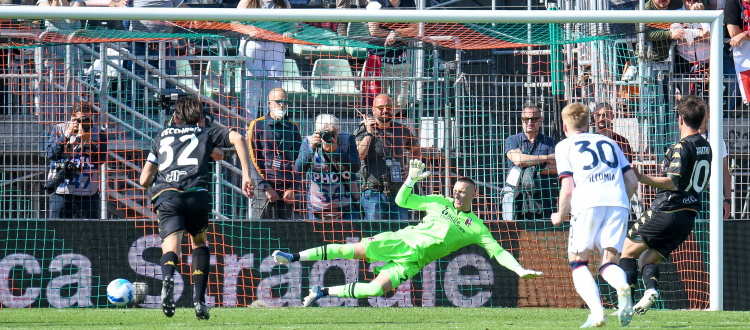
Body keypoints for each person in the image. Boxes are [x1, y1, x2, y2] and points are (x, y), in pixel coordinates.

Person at [272, 160, 543, 307]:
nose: (457, 194)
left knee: (374, 289)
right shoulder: (439, 201)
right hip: (401, 242)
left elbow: (498, 251)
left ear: (474, 194)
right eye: (456, 190)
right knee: (347, 250)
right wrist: (410, 180)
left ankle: (321, 291)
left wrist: (519, 270)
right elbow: (403, 201)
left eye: (463, 191)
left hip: (413, 262)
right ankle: (291, 256)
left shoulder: (477, 227)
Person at [139, 96, 255, 320]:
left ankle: (167, 276)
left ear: (175, 116)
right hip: (197, 195)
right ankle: (199, 301)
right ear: (200, 117)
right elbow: (238, 138)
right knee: (199, 242)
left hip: (168, 194)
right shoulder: (206, 132)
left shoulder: (161, 135)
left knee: (171, 244)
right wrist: (246, 177)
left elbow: (144, 180)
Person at [619, 95, 712, 315]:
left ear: (680, 119)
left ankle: (626, 306)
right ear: (701, 119)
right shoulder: (706, 146)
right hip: (688, 216)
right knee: (646, 258)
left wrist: (641, 177)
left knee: (627, 251)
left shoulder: (680, 146)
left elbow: (671, 181)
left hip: (668, 209)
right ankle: (650, 291)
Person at [551, 103, 639, 328]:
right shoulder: (610, 142)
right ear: (589, 123)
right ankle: (621, 285)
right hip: (618, 202)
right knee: (609, 262)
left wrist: (560, 214)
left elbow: (568, 187)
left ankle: (597, 312)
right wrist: (620, 202)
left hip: (588, 203)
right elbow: (632, 181)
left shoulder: (564, 145)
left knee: (578, 262)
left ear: (564, 126)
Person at [354, 94, 421, 220]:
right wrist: (369, 133)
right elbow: (359, 155)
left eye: (389, 107)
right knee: (374, 232)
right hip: (373, 191)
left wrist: (411, 169)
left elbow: (416, 149)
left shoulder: (402, 130)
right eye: (381, 107)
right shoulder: (363, 130)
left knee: (401, 230)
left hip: (398, 191)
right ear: (373, 109)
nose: (385, 111)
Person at [45, 102, 107, 219]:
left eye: (87, 119)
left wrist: (87, 141)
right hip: (62, 191)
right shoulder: (59, 128)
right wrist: (67, 135)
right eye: (80, 119)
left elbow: (100, 159)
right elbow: (51, 154)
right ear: (72, 118)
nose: (83, 122)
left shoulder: (99, 132)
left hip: (88, 192)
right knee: (58, 231)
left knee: (88, 233)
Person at [248, 88, 303, 220]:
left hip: (286, 190)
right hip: (263, 190)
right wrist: (265, 187)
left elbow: (299, 160)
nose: (282, 105)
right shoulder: (257, 125)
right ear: (269, 104)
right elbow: (253, 160)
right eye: (278, 102)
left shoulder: (293, 127)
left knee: (286, 233)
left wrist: (292, 188)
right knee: (260, 232)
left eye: (285, 102)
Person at [294, 114, 361, 220]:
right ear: (317, 133)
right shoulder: (309, 141)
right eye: (324, 134)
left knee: (350, 235)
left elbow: (356, 167)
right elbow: (298, 169)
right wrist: (311, 149)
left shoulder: (347, 140)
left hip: (346, 205)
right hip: (317, 206)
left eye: (332, 133)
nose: (328, 137)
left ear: (338, 131)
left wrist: (337, 151)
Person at [237, 0, 290, 120]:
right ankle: (248, 130)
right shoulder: (247, 1)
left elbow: (290, 25)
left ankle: (273, 129)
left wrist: (289, 31)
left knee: (274, 89)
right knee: (251, 92)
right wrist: (249, 30)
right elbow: (234, 23)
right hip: (252, 45)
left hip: (276, 46)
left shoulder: (284, 2)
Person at [503, 105, 557, 221]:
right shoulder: (512, 140)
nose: (529, 122)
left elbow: (555, 167)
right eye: (526, 119)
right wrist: (546, 158)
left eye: (534, 119)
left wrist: (526, 163)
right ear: (521, 120)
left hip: (544, 198)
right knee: (513, 235)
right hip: (516, 197)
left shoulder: (549, 142)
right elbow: (518, 161)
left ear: (541, 120)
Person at [363, 0, 418, 110]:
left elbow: (415, 30)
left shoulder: (409, 2)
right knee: (377, 103)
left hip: (401, 61)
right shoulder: (375, 3)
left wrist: (395, 33)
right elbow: (374, 31)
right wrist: (401, 36)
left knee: (401, 103)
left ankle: (388, 125)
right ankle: (379, 126)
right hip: (378, 62)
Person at [698, 109, 732, 219]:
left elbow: (725, 171)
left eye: (702, 113)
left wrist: (727, 199)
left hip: (712, 191)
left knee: (712, 231)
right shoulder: (684, 139)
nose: (699, 117)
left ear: (707, 115)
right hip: (691, 192)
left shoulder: (716, 139)